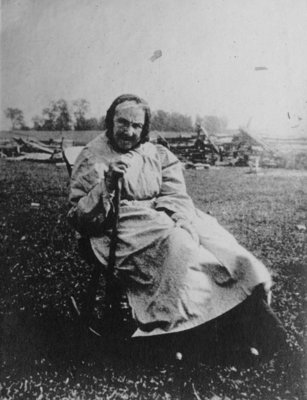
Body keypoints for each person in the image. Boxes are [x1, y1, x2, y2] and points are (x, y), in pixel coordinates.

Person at [67, 94, 286, 361]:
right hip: (116, 227)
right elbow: (79, 217)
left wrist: (175, 215)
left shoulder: (156, 152)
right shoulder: (93, 156)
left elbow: (175, 193)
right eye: (122, 122)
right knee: (181, 251)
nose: (129, 131)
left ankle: (252, 319)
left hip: (163, 217)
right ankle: (188, 332)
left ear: (144, 128)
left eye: (136, 125)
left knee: (217, 243)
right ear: (110, 121)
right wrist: (108, 184)